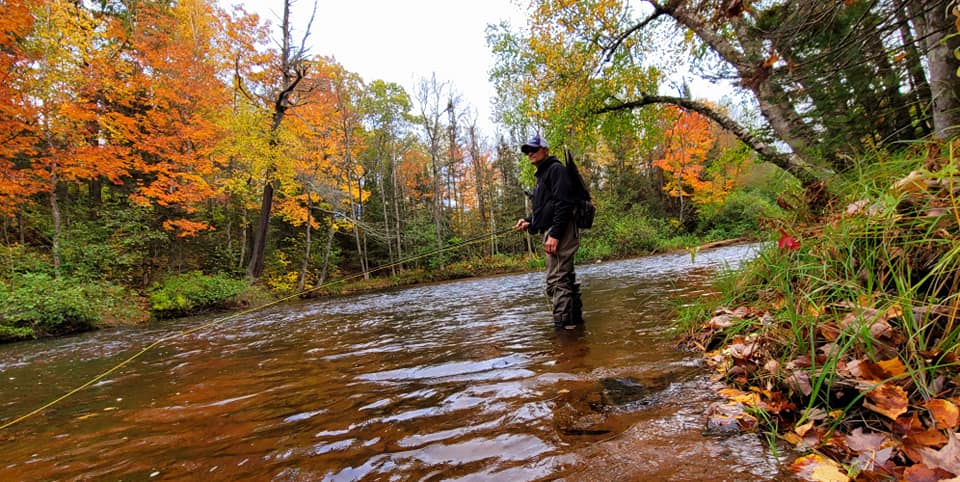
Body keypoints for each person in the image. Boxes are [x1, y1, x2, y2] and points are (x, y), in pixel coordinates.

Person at [513, 135, 584, 329]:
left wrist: (555, 235)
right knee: (565, 278)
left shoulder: (555, 169)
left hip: (560, 230)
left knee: (557, 280)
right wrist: (529, 222)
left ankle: (563, 331)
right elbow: (546, 208)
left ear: (546, 150)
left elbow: (564, 204)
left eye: (534, 149)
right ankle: (575, 327)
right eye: (528, 151)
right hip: (553, 229)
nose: (530, 154)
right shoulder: (543, 175)